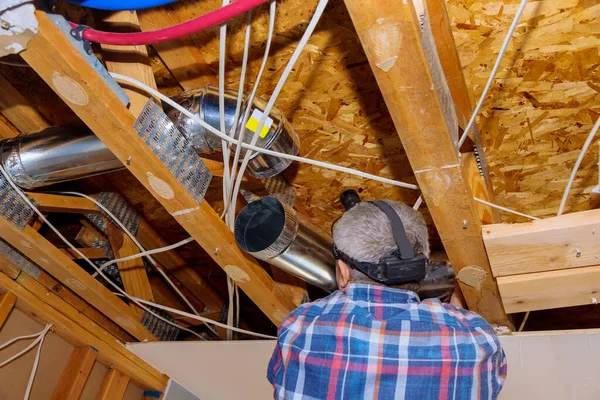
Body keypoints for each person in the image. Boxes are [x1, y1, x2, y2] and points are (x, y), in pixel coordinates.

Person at [267, 199, 506, 399]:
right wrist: (456, 314)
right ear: (422, 265)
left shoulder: (299, 328)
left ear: (343, 271)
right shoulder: (476, 340)